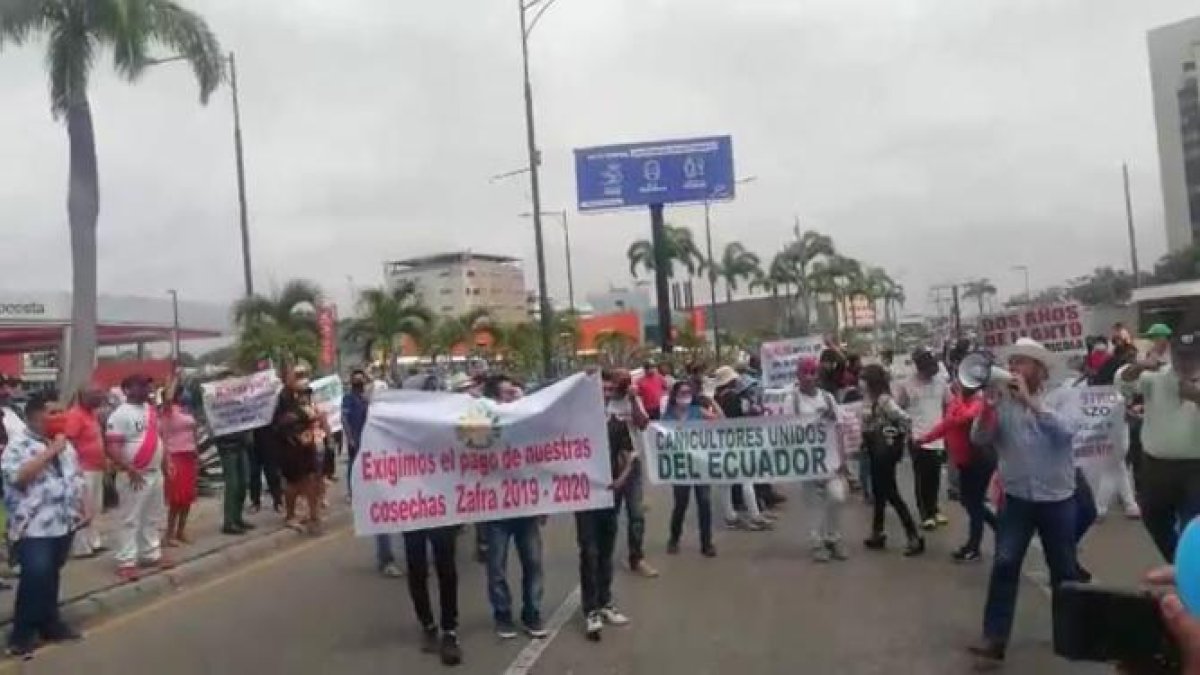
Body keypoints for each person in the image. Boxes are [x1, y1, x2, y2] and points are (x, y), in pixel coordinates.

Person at [968, 338, 1080, 666]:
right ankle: (994, 639)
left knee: (1064, 570)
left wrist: (1031, 403)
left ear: (1040, 369)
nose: (1015, 367)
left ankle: (1071, 636)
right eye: (1012, 361)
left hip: (1057, 498)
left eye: (1023, 362)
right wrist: (987, 407)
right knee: (1004, 563)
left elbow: (1067, 432)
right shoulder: (1001, 400)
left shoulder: (1061, 396)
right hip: (1017, 498)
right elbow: (979, 439)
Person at [2, 392, 86, 659]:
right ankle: (22, 634)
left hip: (63, 521)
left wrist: (85, 505)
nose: (59, 417)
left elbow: (76, 476)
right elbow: (18, 478)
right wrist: (51, 452)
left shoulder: (64, 443)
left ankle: (51, 624)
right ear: (33, 416)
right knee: (35, 576)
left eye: (61, 412)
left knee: (51, 576)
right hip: (33, 526)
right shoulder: (19, 444)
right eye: (52, 413)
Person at [1118, 323, 1200, 562]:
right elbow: (1123, 383)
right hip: (1156, 466)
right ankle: (1179, 565)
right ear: (1172, 354)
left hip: (1196, 470)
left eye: (1192, 357)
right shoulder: (1157, 377)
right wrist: (1138, 366)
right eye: (1180, 357)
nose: (1185, 363)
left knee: (1192, 529)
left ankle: (1190, 576)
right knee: (1153, 519)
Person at [478, 375, 546, 638]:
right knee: (496, 567)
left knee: (533, 562)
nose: (514, 397)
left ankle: (532, 612)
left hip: (526, 505)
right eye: (508, 394)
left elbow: (542, 455)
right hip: (495, 508)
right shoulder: (481, 424)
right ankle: (503, 615)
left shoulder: (527, 423)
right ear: (494, 399)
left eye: (515, 393)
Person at [576, 371, 637, 641]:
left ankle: (605, 601)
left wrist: (619, 481)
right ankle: (591, 610)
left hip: (609, 497)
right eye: (601, 389)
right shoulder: (576, 425)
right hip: (585, 497)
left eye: (609, 389)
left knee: (606, 550)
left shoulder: (616, 425)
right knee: (588, 552)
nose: (606, 392)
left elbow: (628, 458)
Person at [917, 380, 994, 562]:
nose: (958, 385)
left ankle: (974, 547)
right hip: (965, 461)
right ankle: (999, 529)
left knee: (973, 503)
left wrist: (958, 398)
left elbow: (963, 418)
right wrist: (925, 439)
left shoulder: (979, 403)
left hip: (979, 461)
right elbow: (946, 424)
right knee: (969, 502)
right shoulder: (957, 403)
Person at [105, 374, 171, 581]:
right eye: (141, 385)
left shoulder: (150, 410)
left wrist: (166, 461)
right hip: (133, 474)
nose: (146, 389)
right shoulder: (119, 415)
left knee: (152, 516)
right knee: (129, 518)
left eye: (147, 385)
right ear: (127, 389)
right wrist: (128, 468)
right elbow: (113, 446)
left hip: (154, 473)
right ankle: (126, 561)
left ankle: (150, 554)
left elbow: (158, 438)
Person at [788, 357, 848, 562]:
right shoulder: (792, 400)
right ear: (798, 376)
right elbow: (787, 431)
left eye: (812, 373)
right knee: (813, 505)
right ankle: (817, 543)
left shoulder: (828, 398)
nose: (809, 377)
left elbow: (839, 429)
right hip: (807, 461)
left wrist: (842, 458)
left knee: (837, 497)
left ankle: (833, 537)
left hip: (830, 459)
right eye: (804, 373)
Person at [860, 364, 924, 556]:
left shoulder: (884, 401)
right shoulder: (870, 399)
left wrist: (895, 438)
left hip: (883, 454)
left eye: (863, 378)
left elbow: (905, 419)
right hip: (875, 451)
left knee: (891, 494)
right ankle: (877, 533)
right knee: (880, 494)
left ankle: (914, 536)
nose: (860, 382)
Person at [342, 369, 400, 577]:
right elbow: (346, 420)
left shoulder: (388, 411)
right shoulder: (354, 401)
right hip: (369, 457)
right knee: (382, 510)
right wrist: (351, 439)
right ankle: (386, 559)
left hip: (391, 465)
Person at [604, 369, 658, 578]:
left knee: (636, 515)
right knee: (611, 516)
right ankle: (604, 556)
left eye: (625, 382)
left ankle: (636, 557)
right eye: (619, 382)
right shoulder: (603, 402)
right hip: (609, 466)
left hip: (632, 462)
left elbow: (643, 424)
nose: (621, 386)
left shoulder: (631, 400)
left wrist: (634, 400)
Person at [896, 347, 951, 530]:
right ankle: (925, 513)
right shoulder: (907, 385)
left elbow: (948, 405)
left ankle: (934, 509)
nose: (931, 372)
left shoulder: (941, 382)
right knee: (922, 477)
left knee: (935, 476)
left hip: (938, 436)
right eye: (927, 369)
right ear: (919, 367)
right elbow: (900, 408)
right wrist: (907, 430)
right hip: (918, 437)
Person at [713, 366, 771, 532]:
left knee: (726, 481)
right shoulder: (732, 398)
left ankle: (730, 516)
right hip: (737, 440)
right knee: (747, 478)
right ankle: (755, 516)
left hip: (722, 441)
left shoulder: (717, 398)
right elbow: (741, 417)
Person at [665, 381, 717, 558]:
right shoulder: (668, 417)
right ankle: (674, 538)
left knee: (704, 503)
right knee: (681, 504)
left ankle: (707, 543)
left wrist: (711, 402)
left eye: (688, 392)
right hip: (680, 467)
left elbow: (722, 421)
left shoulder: (698, 412)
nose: (685, 395)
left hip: (700, 465)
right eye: (682, 392)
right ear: (675, 395)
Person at [403, 523, 462, 666]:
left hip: (441, 514)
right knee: (416, 571)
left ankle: (449, 630)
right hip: (412, 513)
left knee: (447, 570)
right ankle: (428, 625)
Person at [274, 369, 323, 534]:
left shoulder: (301, 397)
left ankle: (314, 515)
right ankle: (289, 516)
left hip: (306, 446)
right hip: (291, 448)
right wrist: (304, 415)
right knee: (294, 484)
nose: (299, 381)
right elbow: (286, 420)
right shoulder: (283, 398)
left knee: (311, 480)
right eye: (295, 377)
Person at [63, 386, 107, 558]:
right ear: (85, 397)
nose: (99, 399)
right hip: (83, 469)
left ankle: (93, 542)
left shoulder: (91, 414)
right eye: (96, 395)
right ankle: (81, 547)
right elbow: (70, 442)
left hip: (96, 467)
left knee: (94, 507)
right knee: (82, 509)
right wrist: (74, 468)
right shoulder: (75, 415)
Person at [160, 381, 201, 546]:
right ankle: (168, 534)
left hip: (189, 456)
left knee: (187, 497)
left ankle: (181, 531)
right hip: (175, 456)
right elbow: (168, 398)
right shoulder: (167, 411)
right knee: (176, 499)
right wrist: (173, 379)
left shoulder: (185, 410)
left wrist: (196, 451)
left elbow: (193, 431)